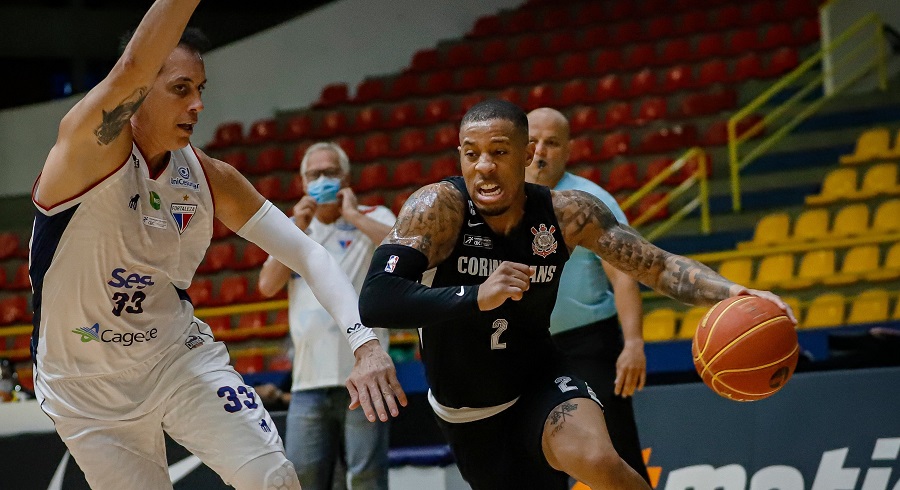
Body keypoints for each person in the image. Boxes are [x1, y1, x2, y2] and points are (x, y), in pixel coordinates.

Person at [29, 2, 405, 488]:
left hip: (176, 360)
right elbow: (132, 67)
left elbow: (308, 253)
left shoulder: (210, 179)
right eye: (181, 89)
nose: (198, 104)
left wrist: (365, 342)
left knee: (275, 480)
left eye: (200, 90)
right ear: (139, 92)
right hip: (85, 391)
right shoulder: (87, 149)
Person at [358, 99, 796, 490]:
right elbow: (378, 297)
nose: (484, 166)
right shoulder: (438, 208)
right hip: (469, 412)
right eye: (472, 155)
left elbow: (656, 265)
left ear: (527, 155)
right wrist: (475, 295)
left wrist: (731, 292)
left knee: (600, 460)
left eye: (499, 152)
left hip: (539, 377)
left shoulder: (568, 213)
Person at [258, 142, 394, 490]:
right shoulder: (289, 227)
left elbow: (403, 248)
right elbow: (267, 285)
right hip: (307, 382)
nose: (322, 179)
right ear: (303, 183)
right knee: (302, 475)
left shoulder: (374, 215)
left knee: (366, 476)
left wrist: (353, 217)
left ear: (345, 177)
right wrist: (295, 229)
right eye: (314, 174)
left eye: (330, 172)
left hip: (366, 375)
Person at [524, 107, 650, 483]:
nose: (540, 151)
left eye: (552, 142)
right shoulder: (501, 199)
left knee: (617, 453)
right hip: (525, 347)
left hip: (589, 345)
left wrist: (634, 343)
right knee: (536, 458)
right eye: (531, 141)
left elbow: (624, 276)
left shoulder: (593, 201)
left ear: (569, 150)